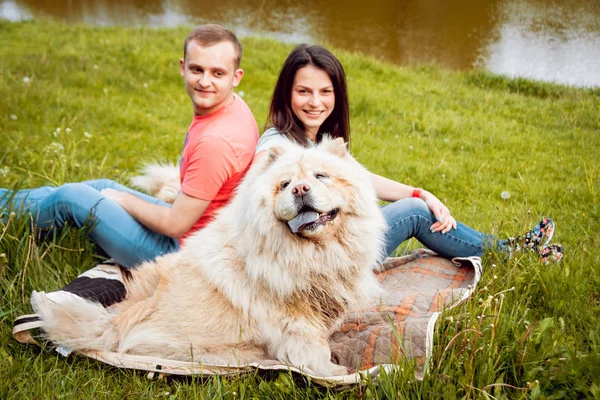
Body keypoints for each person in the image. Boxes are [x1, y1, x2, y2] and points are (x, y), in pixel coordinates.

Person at [254, 44, 563, 263]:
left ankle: (506, 249)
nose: (315, 102)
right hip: (310, 259)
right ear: (287, 93)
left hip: (329, 245)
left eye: (325, 91)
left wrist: (422, 191)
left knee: (417, 205)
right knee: (414, 212)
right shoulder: (276, 146)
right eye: (303, 91)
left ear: (338, 94)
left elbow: (362, 179)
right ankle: (510, 255)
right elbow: (255, 196)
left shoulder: (318, 138)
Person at [0, 25, 259, 268]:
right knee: (101, 187)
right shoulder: (232, 106)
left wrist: (124, 199)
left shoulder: (215, 142)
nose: (204, 81)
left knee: (71, 198)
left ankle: (9, 224)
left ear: (236, 77)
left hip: (180, 255)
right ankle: (5, 201)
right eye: (197, 69)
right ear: (183, 67)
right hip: (199, 232)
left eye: (217, 73)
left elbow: (175, 225)